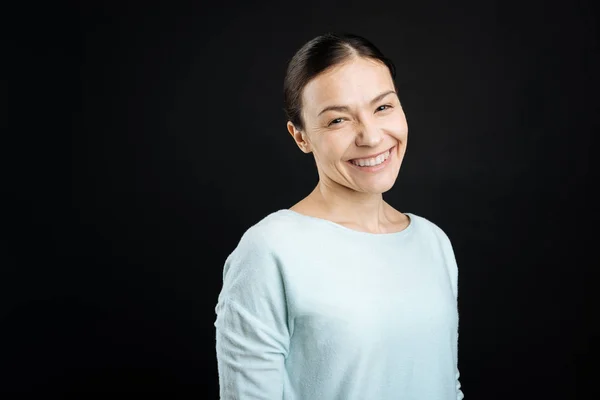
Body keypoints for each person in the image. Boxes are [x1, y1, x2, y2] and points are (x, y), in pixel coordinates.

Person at [214, 32, 464, 400]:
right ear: (300, 137)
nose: (372, 137)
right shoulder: (270, 250)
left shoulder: (433, 242)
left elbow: (445, 387)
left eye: (383, 107)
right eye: (337, 121)